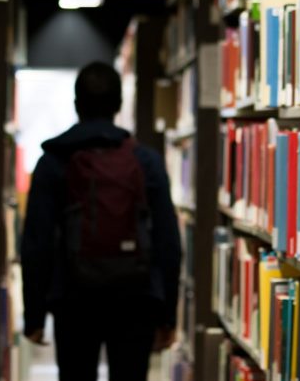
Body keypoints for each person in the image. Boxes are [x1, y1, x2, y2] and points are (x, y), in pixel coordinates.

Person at [21, 61, 183, 381]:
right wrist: (167, 314)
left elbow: (36, 242)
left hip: (73, 298)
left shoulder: (53, 161)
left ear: (76, 104)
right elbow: (168, 241)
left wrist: (34, 315)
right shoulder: (145, 161)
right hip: (136, 298)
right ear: (119, 105)